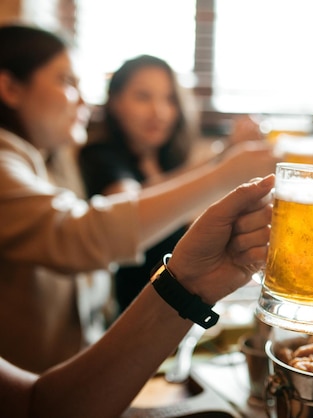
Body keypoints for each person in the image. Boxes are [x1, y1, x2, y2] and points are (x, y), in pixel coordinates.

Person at [0, 23, 277, 373]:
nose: (84, 100)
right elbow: (79, 234)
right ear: (10, 88)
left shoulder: (49, 158)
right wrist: (223, 172)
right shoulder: (22, 160)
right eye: (67, 82)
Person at [0, 174, 275, 418]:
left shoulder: (55, 163)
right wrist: (225, 170)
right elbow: (35, 408)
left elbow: (41, 406)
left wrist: (192, 282)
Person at [78, 55, 277, 314]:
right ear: (114, 102)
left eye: (169, 99)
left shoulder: (166, 158)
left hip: (176, 304)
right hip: (137, 313)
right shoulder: (102, 155)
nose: (158, 111)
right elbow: (127, 207)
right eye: (143, 97)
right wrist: (223, 166)